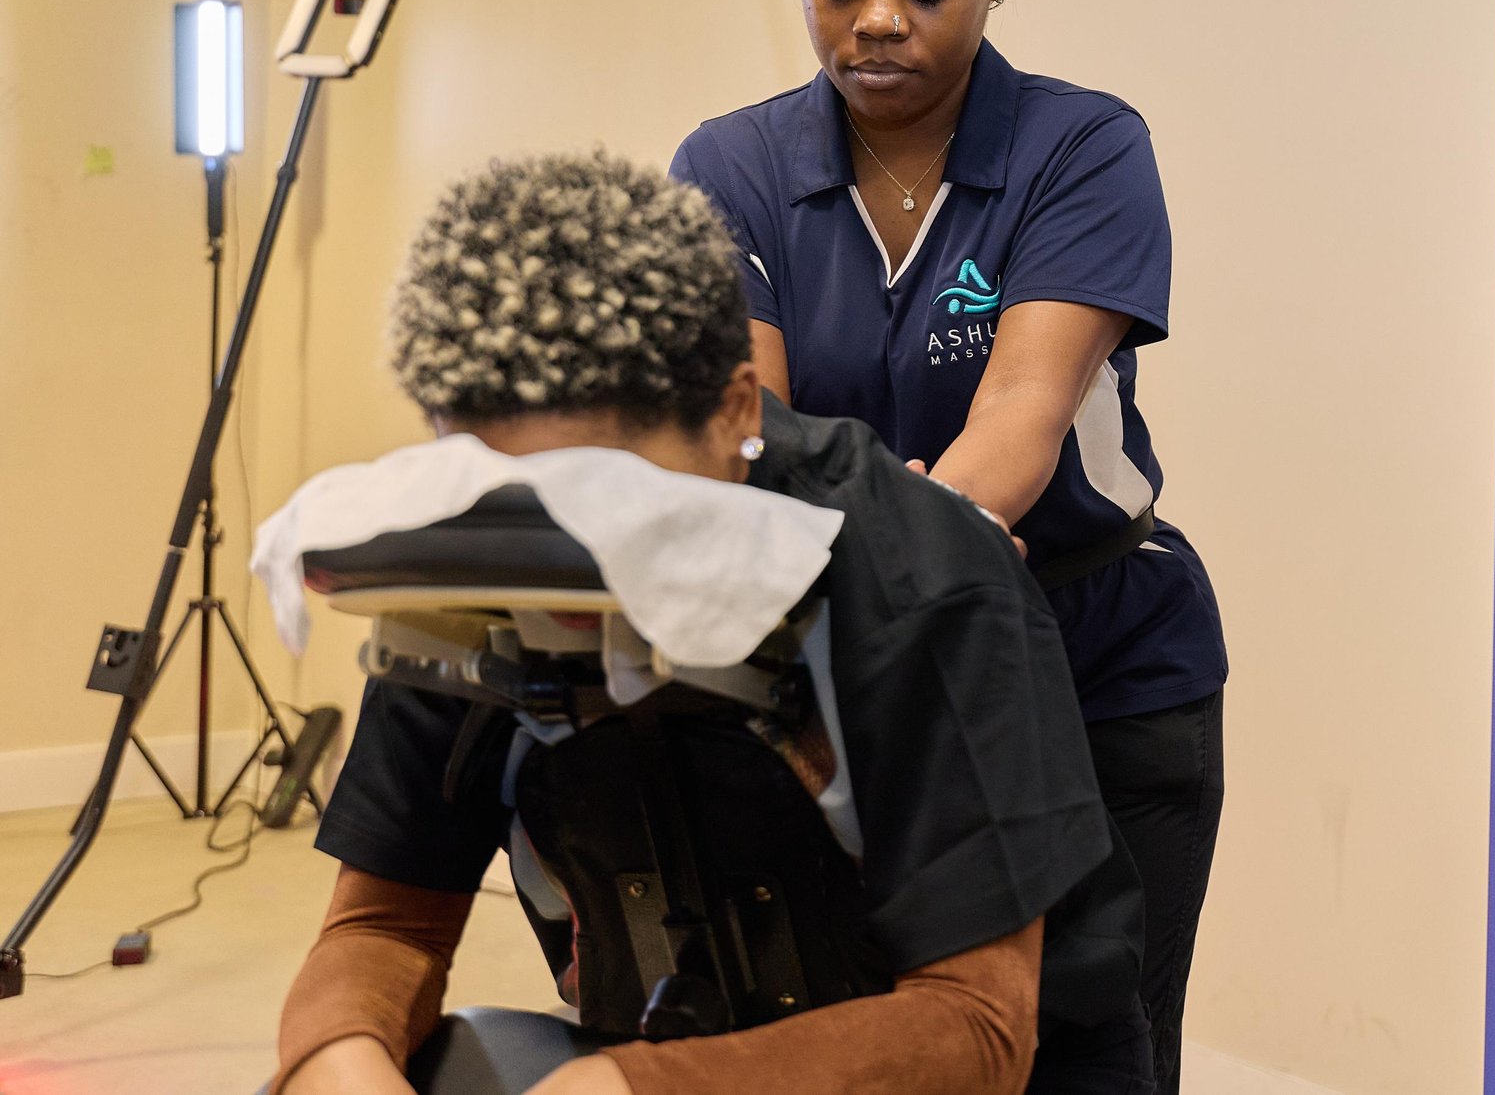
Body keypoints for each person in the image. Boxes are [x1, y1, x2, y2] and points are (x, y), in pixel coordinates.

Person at [270, 151, 1148, 1095]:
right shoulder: (463, 569)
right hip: (670, 1042)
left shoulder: (922, 580)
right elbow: (385, 922)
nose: (555, 577)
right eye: (510, 509)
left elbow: (976, 1028)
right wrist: (337, 1057)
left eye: (604, 510)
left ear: (734, 414)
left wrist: (626, 1089)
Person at [671, 0, 1224, 1095]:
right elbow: (742, 434)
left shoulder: (1078, 146)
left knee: (1100, 1050)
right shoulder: (732, 165)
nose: (877, 20)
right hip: (842, 674)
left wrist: (864, 551)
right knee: (893, 1044)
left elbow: (1017, 431)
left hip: (1096, 665)